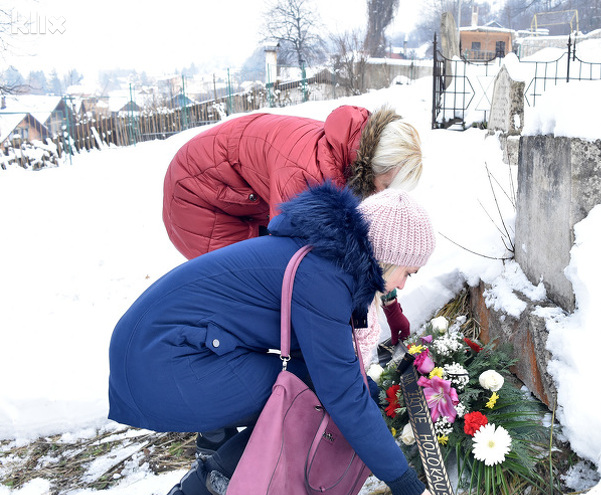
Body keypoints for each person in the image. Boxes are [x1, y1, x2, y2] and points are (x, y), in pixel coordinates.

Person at [108, 183, 449, 495]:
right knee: (307, 403)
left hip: (165, 351)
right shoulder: (323, 277)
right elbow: (342, 398)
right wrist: (409, 489)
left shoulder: (323, 258)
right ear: (387, 257)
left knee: (315, 394)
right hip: (162, 364)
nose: (403, 284)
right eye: (408, 272)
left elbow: (340, 377)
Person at [162, 104, 420, 455]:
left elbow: (377, 253)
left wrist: (390, 310)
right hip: (201, 197)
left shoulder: (355, 157)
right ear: (375, 166)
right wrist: (337, 359)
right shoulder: (309, 175)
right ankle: (217, 433)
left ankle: (279, 402)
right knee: (249, 306)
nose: (383, 196)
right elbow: (305, 277)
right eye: (386, 186)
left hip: (246, 196)